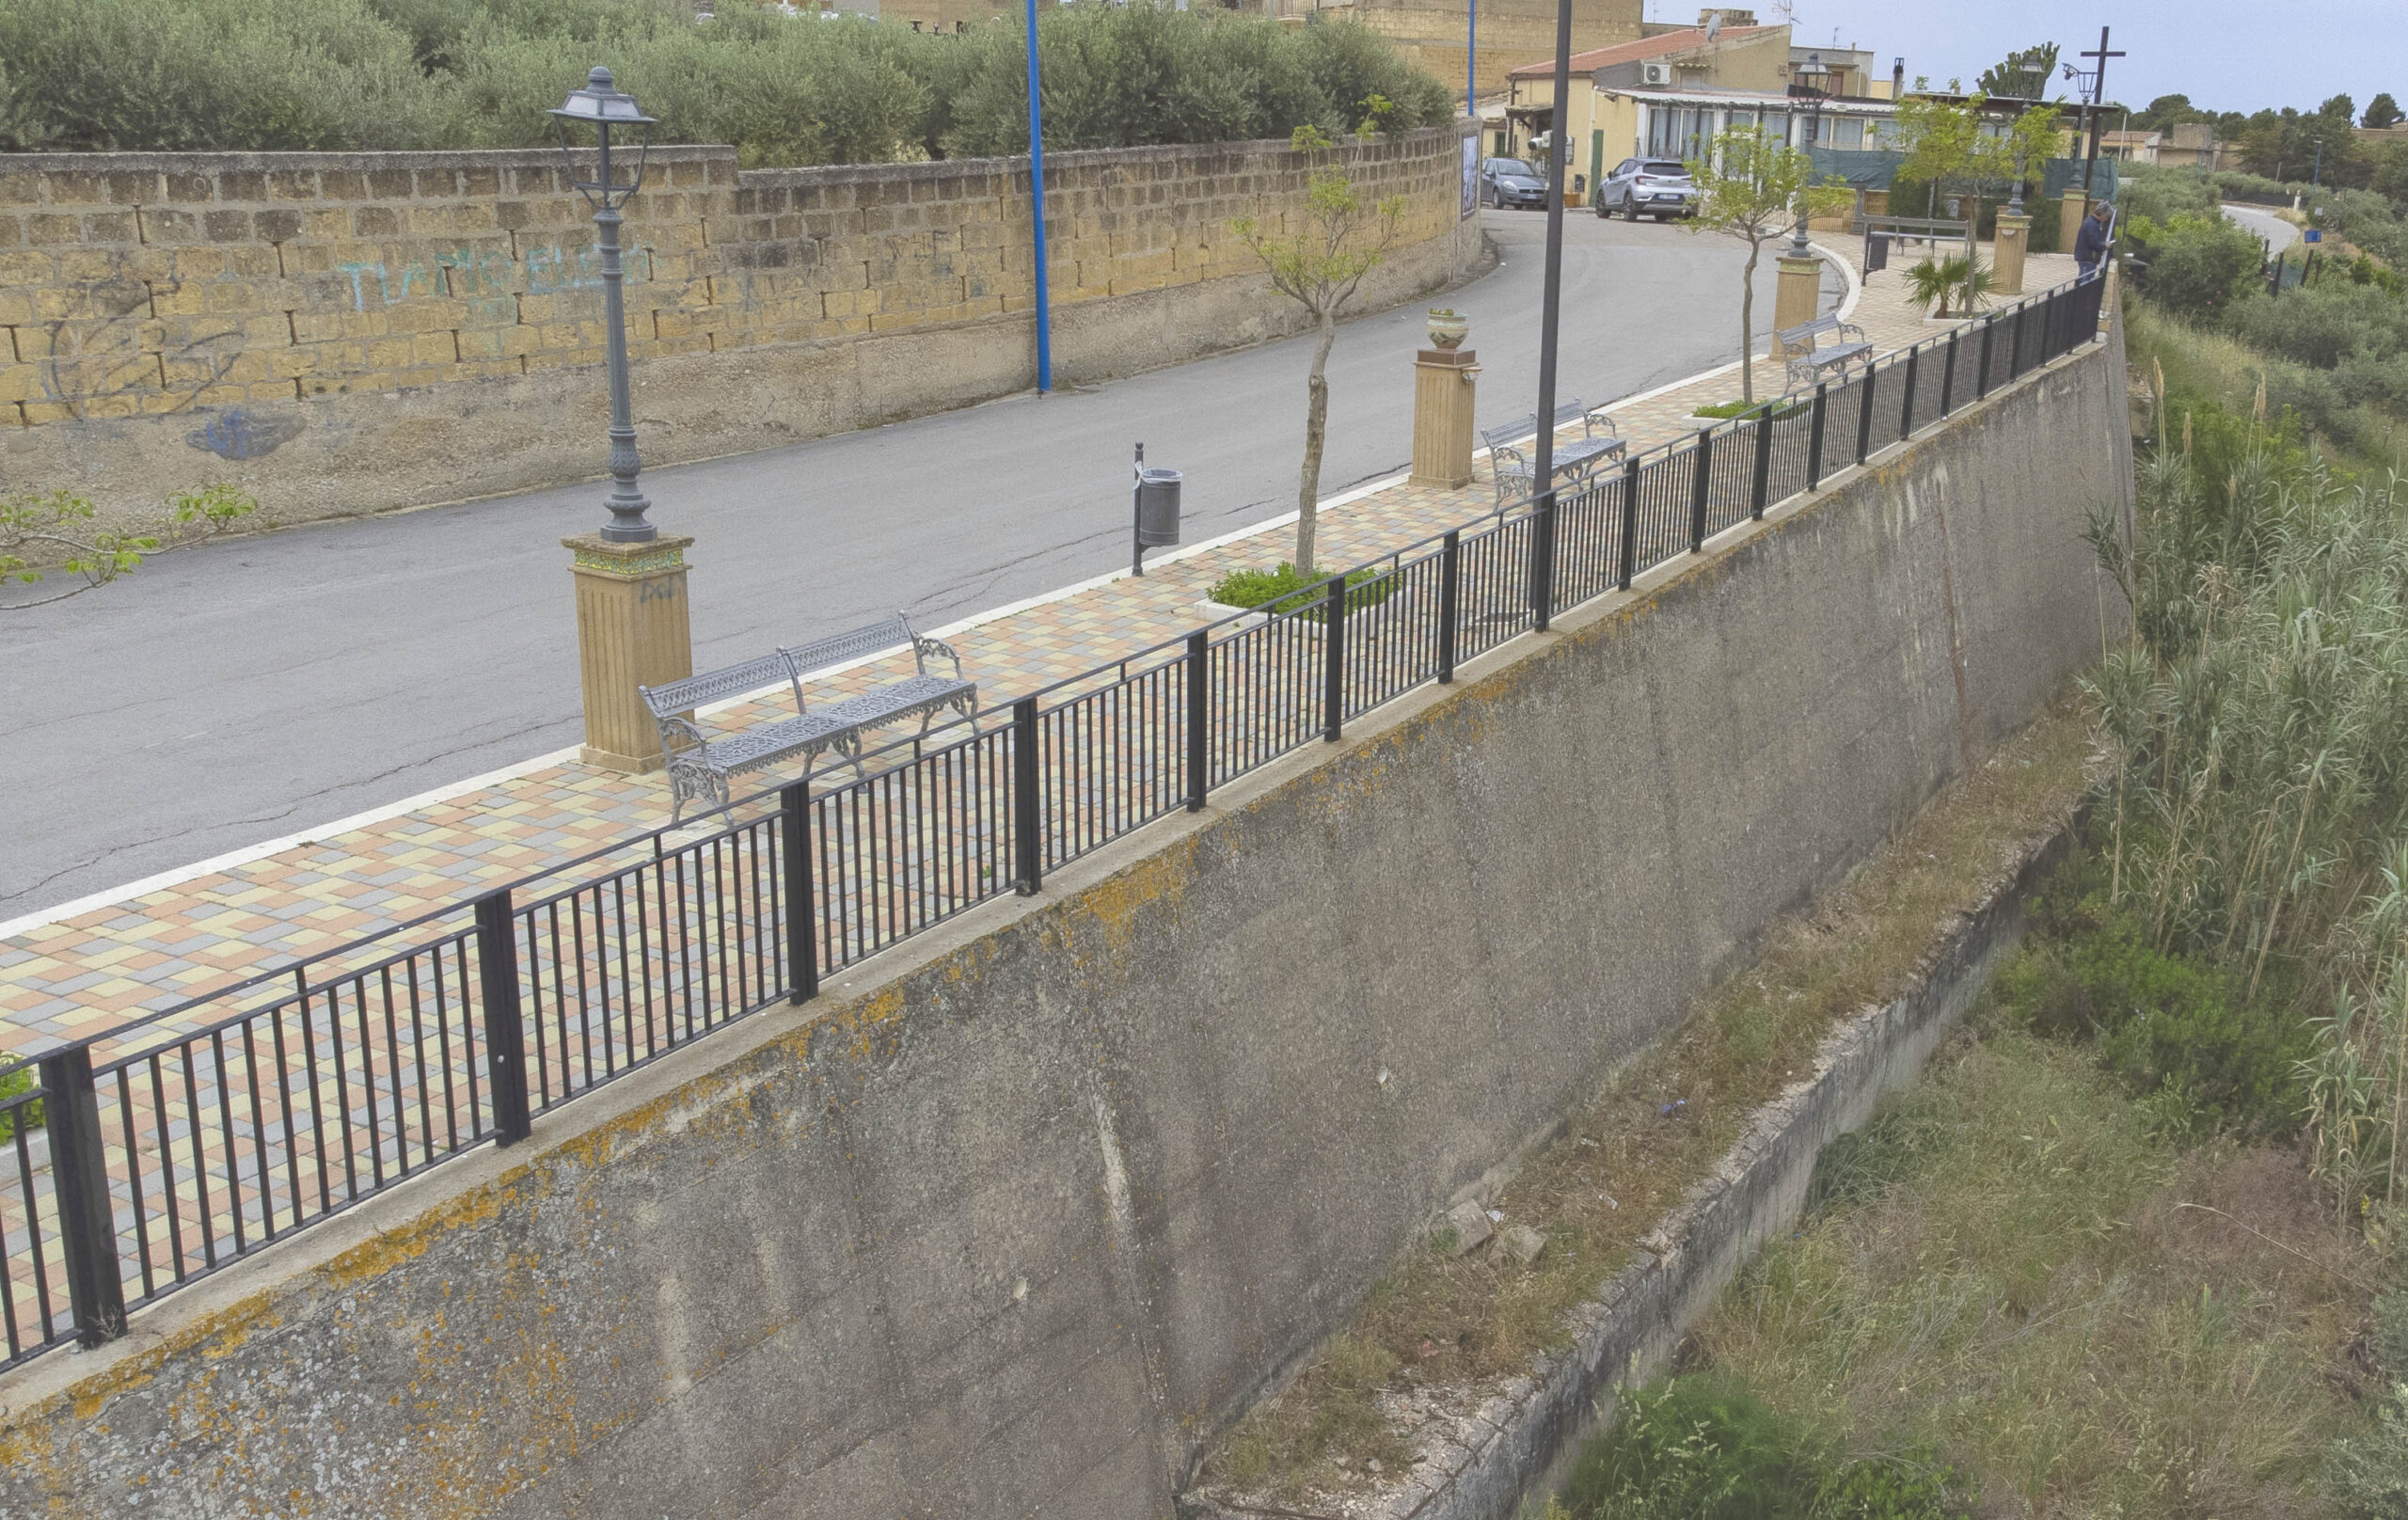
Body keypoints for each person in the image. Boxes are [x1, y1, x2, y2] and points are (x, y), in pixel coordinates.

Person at [2075, 198, 2115, 278]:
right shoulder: (2092, 224)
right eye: (2107, 216)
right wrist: (2105, 246)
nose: (2107, 219)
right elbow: (2093, 243)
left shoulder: (2090, 221)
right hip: (2088, 258)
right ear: (2103, 214)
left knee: (2082, 280)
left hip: (2085, 257)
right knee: (2086, 281)